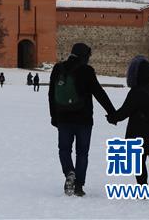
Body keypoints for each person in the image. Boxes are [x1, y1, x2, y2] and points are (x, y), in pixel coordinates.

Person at [48, 43, 116, 197]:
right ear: (84, 56)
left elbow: (51, 94)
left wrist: (54, 116)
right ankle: (78, 185)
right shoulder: (87, 70)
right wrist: (112, 113)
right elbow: (99, 93)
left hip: (63, 118)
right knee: (82, 153)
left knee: (64, 149)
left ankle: (69, 172)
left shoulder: (58, 68)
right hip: (84, 120)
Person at [107, 57, 149, 188]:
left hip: (138, 133)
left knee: (138, 162)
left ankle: (142, 187)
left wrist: (112, 118)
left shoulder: (136, 91)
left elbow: (124, 111)